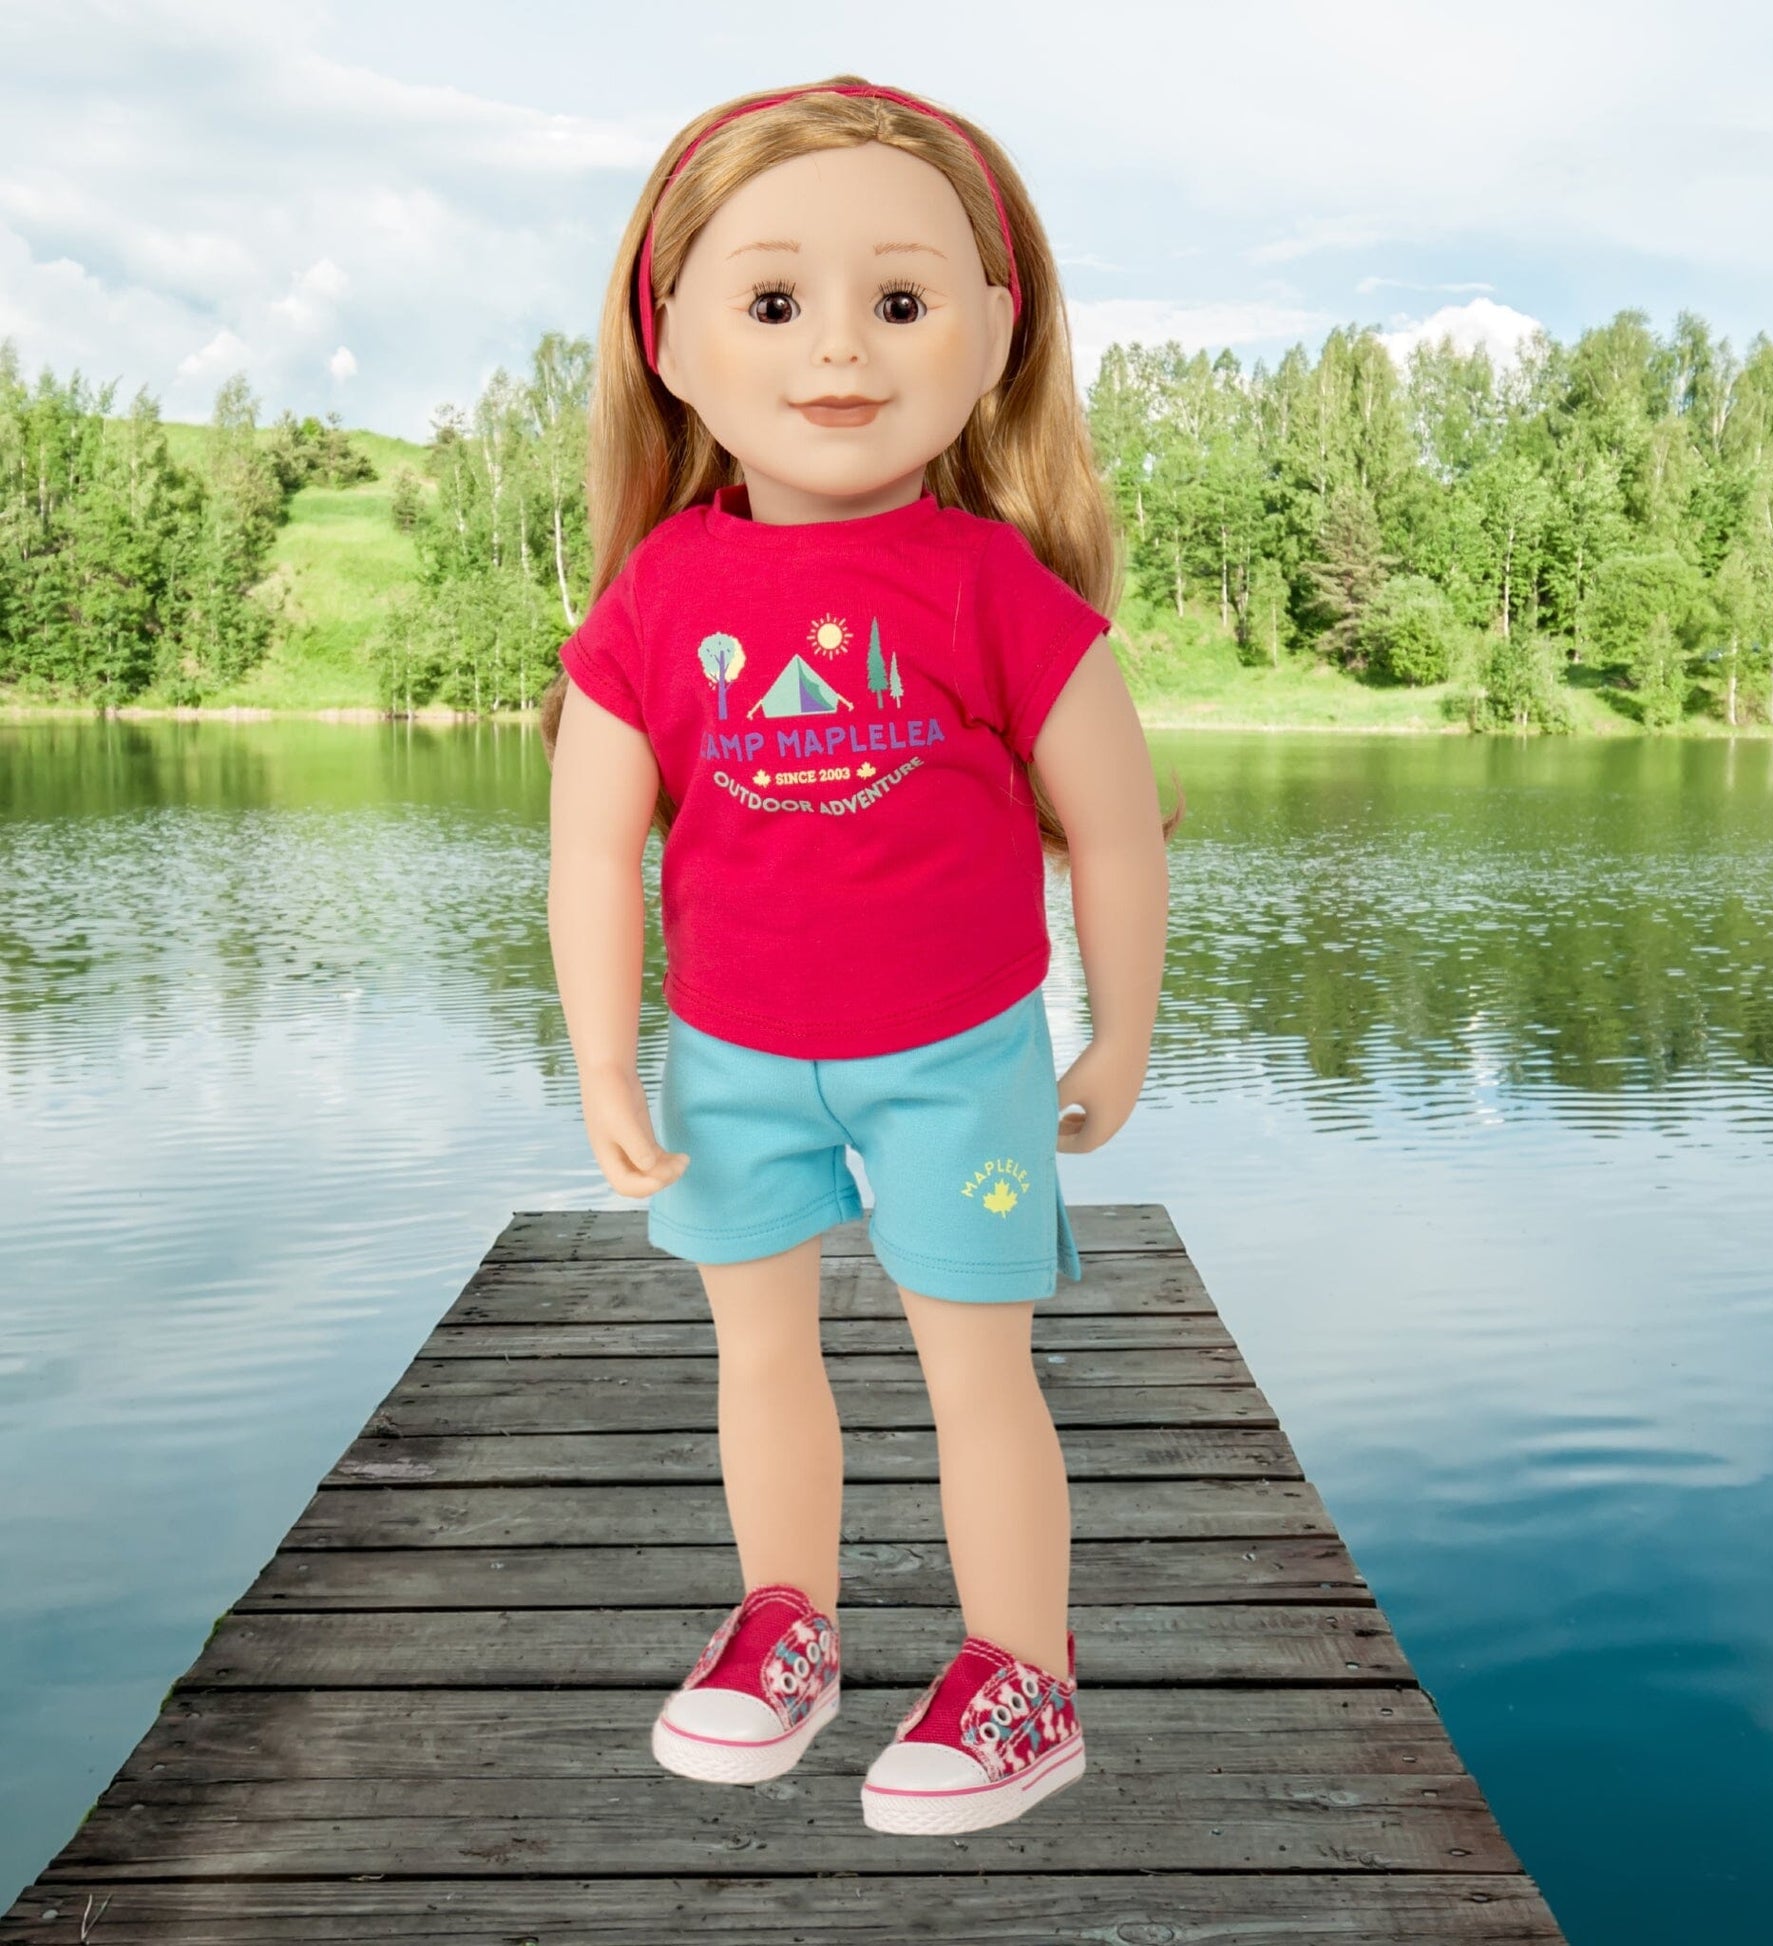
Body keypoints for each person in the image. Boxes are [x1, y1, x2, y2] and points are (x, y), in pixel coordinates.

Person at [542, 74, 1180, 1837]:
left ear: (993, 330)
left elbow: (1115, 828)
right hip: (732, 1055)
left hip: (953, 1054)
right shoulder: (654, 599)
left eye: (898, 300)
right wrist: (602, 1056)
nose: (838, 350)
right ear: (669, 339)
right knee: (758, 1353)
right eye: (771, 301)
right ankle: (785, 1621)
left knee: (974, 1361)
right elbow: (595, 843)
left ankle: (1020, 1667)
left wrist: (1118, 1026)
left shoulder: (996, 590)